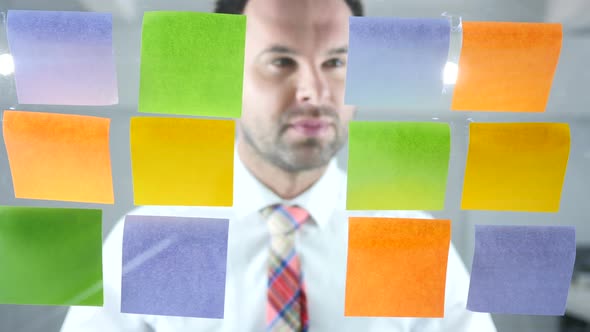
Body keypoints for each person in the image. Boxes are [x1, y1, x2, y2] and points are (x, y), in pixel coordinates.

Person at [61, 0, 497, 331]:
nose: (314, 90)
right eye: (281, 62)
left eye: (336, 62)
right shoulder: (146, 244)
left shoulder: (413, 244)